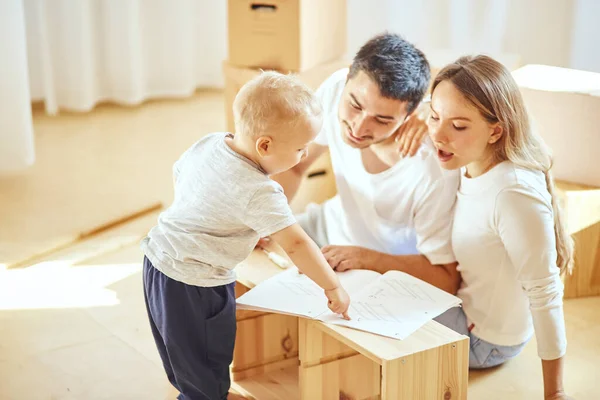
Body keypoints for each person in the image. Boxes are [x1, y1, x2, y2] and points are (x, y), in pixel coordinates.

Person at [140, 71, 351, 400]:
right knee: (210, 366)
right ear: (265, 145)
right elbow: (296, 243)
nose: (304, 155)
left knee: (183, 358)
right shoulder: (260, 191)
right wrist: (332, 285)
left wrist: (234, 224)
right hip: (197, 285)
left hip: (157, 262)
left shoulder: (212, 142)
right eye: (300, 148)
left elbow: (183, 175)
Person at [266, 33, 462, 294]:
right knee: (238, 249)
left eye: (382, 120)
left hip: (386, 267)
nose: (359, 128)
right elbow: (294, 165)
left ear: (411, 115)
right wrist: (270, 219)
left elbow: (446, 278)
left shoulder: (432, 169)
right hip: (328, 225)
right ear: (347, 78)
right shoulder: (336, 88)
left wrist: (367, 259)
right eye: (355, 105)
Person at [428, 55, 573, 399]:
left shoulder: (512, 193)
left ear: (496, 130)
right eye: (433, 116)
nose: (438, 133)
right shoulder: (472, 158)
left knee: (367, 310)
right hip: (467, 308)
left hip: (486, 340)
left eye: (458, 126)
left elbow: (546, 295)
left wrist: (555, 393)